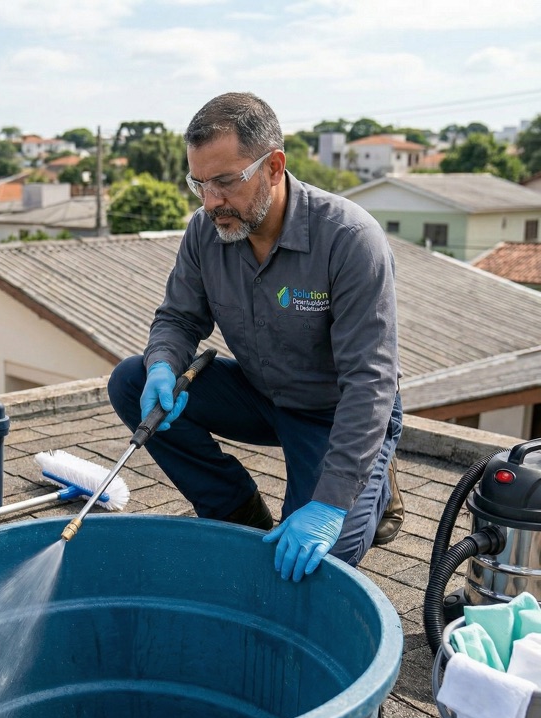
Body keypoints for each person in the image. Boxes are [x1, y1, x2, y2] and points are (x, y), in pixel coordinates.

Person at [107, 91, 403, 582]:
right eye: (198, 184)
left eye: (225, 182)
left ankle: (373, 482)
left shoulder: (350, 240)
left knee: (321, 562)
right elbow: (179, 320)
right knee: (129, 380)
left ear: (273, 166)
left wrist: (330, 503)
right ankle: (236, 510)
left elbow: (369, 383)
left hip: (335, 411)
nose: (211, 201)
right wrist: (162, 364)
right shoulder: (206, 231)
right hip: (262, 393)